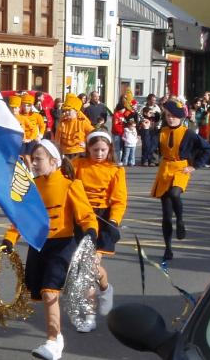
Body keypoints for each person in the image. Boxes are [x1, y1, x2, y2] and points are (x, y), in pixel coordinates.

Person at [1, 139, 98, 359]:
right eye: (32, 159)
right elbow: (21, 218)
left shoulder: (70, 185)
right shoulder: (32, 187)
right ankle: (56, 338)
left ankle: (53, 340)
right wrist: (9, 239)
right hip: (39, 245)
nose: (33, 163)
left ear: (54, 161)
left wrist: (91, 231)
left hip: (63, 244)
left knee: (49, 290)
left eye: (38, 159)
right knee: (42, 291)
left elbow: (86, 215)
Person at [72, 130, 127, 332]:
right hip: (80, 218)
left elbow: (119, 200)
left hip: (103, 221)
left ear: (110, 149)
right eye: (95, 149)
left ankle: (89, 315)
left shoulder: (116, 170)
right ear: (88, 148)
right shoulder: (78, 165)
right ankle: (105, 289)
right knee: (84, 268)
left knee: (88, 268)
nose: (99, 153)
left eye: (104, 149)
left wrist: (113, 221)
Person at [151, 99, 210, 261]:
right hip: (165, 168)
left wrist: (195, 166)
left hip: (181, 168)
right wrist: (147, 128)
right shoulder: (162, 131)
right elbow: (151, 145)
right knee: (165, 215)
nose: (171, 118)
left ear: (181, 118)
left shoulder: (188, 133)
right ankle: (168, 247)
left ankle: (180, 220)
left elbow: (207, 148)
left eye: (174, 116)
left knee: (175, 193)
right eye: (168, 115)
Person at [54, 93, 94, 158]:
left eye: (69, 110)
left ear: (76, 111)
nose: (66, 112)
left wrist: (87, 145)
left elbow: (94, 134)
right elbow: (57, 140)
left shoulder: (82, 122)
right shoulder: (62, 123)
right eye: (65, 110)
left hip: (79, 153)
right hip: (65, 154)